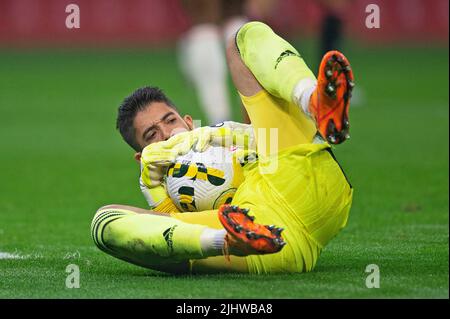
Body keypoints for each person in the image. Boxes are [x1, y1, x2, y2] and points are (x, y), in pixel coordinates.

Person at [91, 21, 354, 274]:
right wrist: (152, 188)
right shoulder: (164, 188)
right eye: (152, 135)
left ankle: (314, 100)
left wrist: (214, 134)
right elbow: (164, 225)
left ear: (188, 122)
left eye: (170, 120)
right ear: (142, 157)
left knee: (241, 40)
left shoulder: (213, 137)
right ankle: (227, 241)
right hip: (270, 242)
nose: (167, 134)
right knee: (103, 223)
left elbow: (263, 138)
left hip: (291, 172)